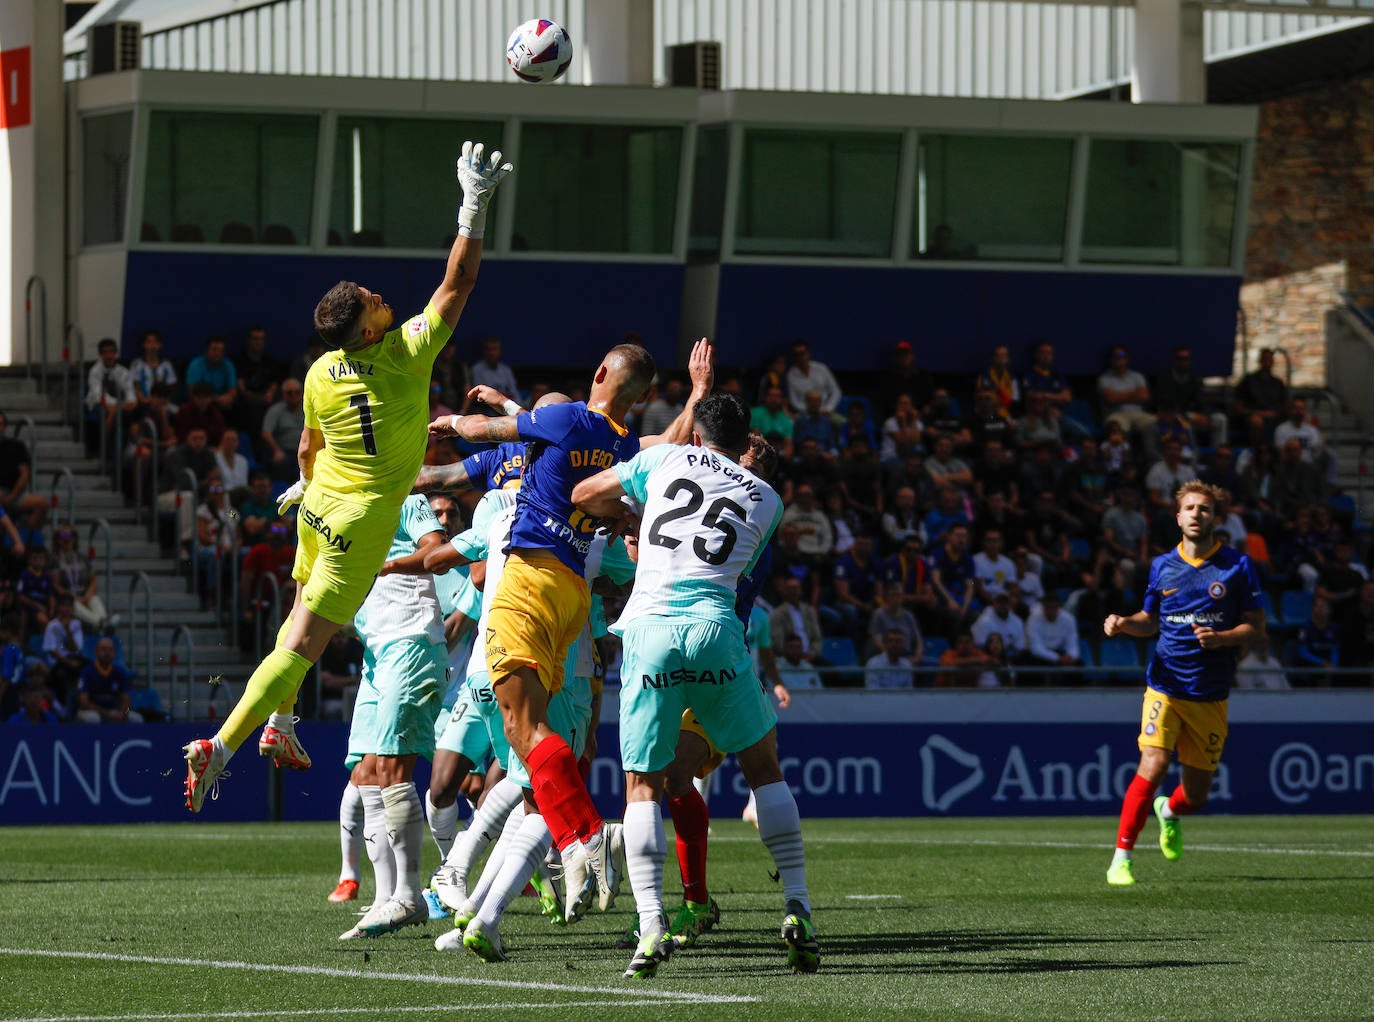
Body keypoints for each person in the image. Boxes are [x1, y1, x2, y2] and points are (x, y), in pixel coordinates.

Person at [182, 140, 514, 813]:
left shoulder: (318, 372)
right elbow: (459, 282)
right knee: (303, 644)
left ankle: (280, 722)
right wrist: (473, 204)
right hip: (361, 522)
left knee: (297, 616)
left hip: (315, 503)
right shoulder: (406, 354)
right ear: (365, 331)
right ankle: (221, 745)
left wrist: (305, 484)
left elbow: (307, 446)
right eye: (372, 301)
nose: (382, 297)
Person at [425, 335, 713, 927]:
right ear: (644, 395)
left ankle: (584, 834)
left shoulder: (569, 419)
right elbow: (672, 440)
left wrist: (450, 419)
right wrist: (700, 393)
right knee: (534, 738)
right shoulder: (624, 445)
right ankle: (572, 842)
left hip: (529, 578)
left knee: (521, 729)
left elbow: (482, 438)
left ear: (601, 370)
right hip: (573, 595)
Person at [572, 391, 819, 976]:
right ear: (744, 441)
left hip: (651, 627)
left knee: (642, 785)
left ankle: (652, 925)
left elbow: (584, 494)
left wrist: (630, 511)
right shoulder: (770, 501)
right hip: (716, 629)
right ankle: (799, 906)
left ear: (697, 433)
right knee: (764, 769)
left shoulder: (667, 460)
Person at [1102, 480, 1265, 886]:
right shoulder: (1162, 565)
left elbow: (1257, 628)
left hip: (1209, 694)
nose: (1196, 514)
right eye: (1189, 508)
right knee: (1153, 765)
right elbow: (1150, 619)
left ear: (1216, 518)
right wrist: (1124, 623)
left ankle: (1169, 812)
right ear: (1178, 517)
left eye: (1204, 509)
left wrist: (1222, 638)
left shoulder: (1237, 566)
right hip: (1165, 685)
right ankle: (1121, 857)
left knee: (1195, 797)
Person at [333, 493, 451, 939]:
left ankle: (409, 895)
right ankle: (386, 898)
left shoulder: (407, 498)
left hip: (412, 642)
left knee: (391, 767)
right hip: (377, 653)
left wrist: (388, 567)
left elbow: (435, 549)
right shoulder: (346, 508)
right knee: (364, 774)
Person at [84, 338, 138, 455]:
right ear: (100, 355)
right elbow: (97, 395)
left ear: (115, 353)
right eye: (105, 352)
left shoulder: (123, 372)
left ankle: (130, 447)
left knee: (134, 412)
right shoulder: (95, 371)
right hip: (98, 406)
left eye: (111, 352)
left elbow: (129, 391)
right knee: (110, 412)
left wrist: (130, 402)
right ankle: (104, 451)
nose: (109, 356)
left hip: (120, 407)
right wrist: (117, 405)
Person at [0, 410, 48, 535]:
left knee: (42, 504)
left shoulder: (16, 446)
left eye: (0, 424)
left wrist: (12, 496)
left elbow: (25, 474)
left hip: (12, 493)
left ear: (5, 427)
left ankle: (25, 537)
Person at [74, 636, 139, 723]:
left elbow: (127, 700)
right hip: (91, 711)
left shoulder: (120, 672)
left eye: (110, 650)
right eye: (104, 649)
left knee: (136, 719)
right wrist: (107, 713)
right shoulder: (86, 672)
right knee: (93, 719)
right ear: (96, 652)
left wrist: (123, 712)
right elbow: (83, 702)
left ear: (115, 653)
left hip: (114, 711)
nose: (107, 653)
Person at [1232, 347, 1287, 446]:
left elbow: (1283, 406)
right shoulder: (1249, 381)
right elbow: (1238, 407)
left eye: (1270, 360)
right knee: (1256, 421)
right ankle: (1257, 450)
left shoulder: (1278, 383)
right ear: (1260, 361)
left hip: (1275, 418)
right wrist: (1259, 413)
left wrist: (1275, 414)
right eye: (1265, 360)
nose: (1267, 363)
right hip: (1252, 417)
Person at [1025, 591, 1082, 685]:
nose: (1050, 611)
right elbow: (1035, 648)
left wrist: (1071, 656)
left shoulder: (1069, 619)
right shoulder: (1033, 619)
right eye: (1048, 607)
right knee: (1029, 666)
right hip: (1040, 656)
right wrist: (1057, 658)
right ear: (1043, 606)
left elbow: (1073, 644)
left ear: (1058, 606)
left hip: (1059, 654)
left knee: (1079, 665)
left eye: (1053, 607)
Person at [1096, 346, 1153, 439]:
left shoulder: (1137, 376)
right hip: (1117, 415)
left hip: (1138, 415)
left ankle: (1154, 453)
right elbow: (1111, 399)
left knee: (1155, 423)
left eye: (1121, 355)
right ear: (1110, 359)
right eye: (1115, 356)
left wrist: (1118, 395)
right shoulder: (1104, 379)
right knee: (1115, 426)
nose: (1118, 358)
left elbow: (1144, 397)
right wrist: (1134, 394)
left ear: (1127, 358)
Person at [260, 378, 307, 483]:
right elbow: (266, 433)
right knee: (282, 463)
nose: (294, 395)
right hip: (284, 451)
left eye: (297, 392)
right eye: (289, 393)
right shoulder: (276, 410)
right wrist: (277, 450)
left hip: (305, 451)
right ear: (283, 395)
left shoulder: (308, 409)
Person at [784, 339, 841, 415]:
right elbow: (794, 401)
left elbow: (836, 392)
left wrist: (828, 408)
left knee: (842, 423)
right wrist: (811, 411)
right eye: (796, 354)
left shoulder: (822, 369)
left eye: (802, 353)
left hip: (827, 412)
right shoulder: (790, 375)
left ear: (808, 353)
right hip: (804, 414)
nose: (800, 357)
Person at [185, 335, 238, 414]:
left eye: (221, 350)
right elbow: (192, 393)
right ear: (206, 351)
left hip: (223, 404)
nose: (218, 353)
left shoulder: (228, 365)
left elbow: (233, 391)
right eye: (214, 350)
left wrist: (228, 398)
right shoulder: (196, 365)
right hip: (201, 403)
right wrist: (216, 400)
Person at [128, 329, 178, 407]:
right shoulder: (136, 364)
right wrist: (144, 400)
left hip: (164, 403)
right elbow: (135, 387)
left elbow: (171, 388)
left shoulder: (167, 365)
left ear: (160, 345)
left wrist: (162, 401)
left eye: (155, 342)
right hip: (143, 403)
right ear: (143, 345)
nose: (152, 345)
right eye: (149, 342)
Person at [467, 336, 519, 407]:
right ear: (484, 351)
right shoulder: (477, 369)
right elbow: (477, 396)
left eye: (494, 349)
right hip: (486, 410)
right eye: (488, 349)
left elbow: (514, 394)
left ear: (499, 351)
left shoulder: (506, 370)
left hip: (505, 408)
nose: (491, 353)